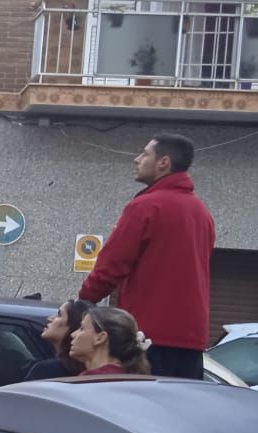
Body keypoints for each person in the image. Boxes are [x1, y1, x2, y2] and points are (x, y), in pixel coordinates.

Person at [79, 133, 215, 380]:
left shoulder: (145, 207)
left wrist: (84, 302)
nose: (136, 159)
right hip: (191, 340)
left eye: (144, 154)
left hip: (147, 336)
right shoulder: (202, 213)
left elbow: (113, 265)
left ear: (163, 163)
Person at [69, 305, 152, 376]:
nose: (73, 334)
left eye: (81, 328)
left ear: (100, 338)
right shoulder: (134, 378)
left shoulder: (89, 380)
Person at [24, 299, 93, 381]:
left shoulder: (46, 371)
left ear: (72, 326)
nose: (50, 318)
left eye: (59, 315)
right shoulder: (90, 369)